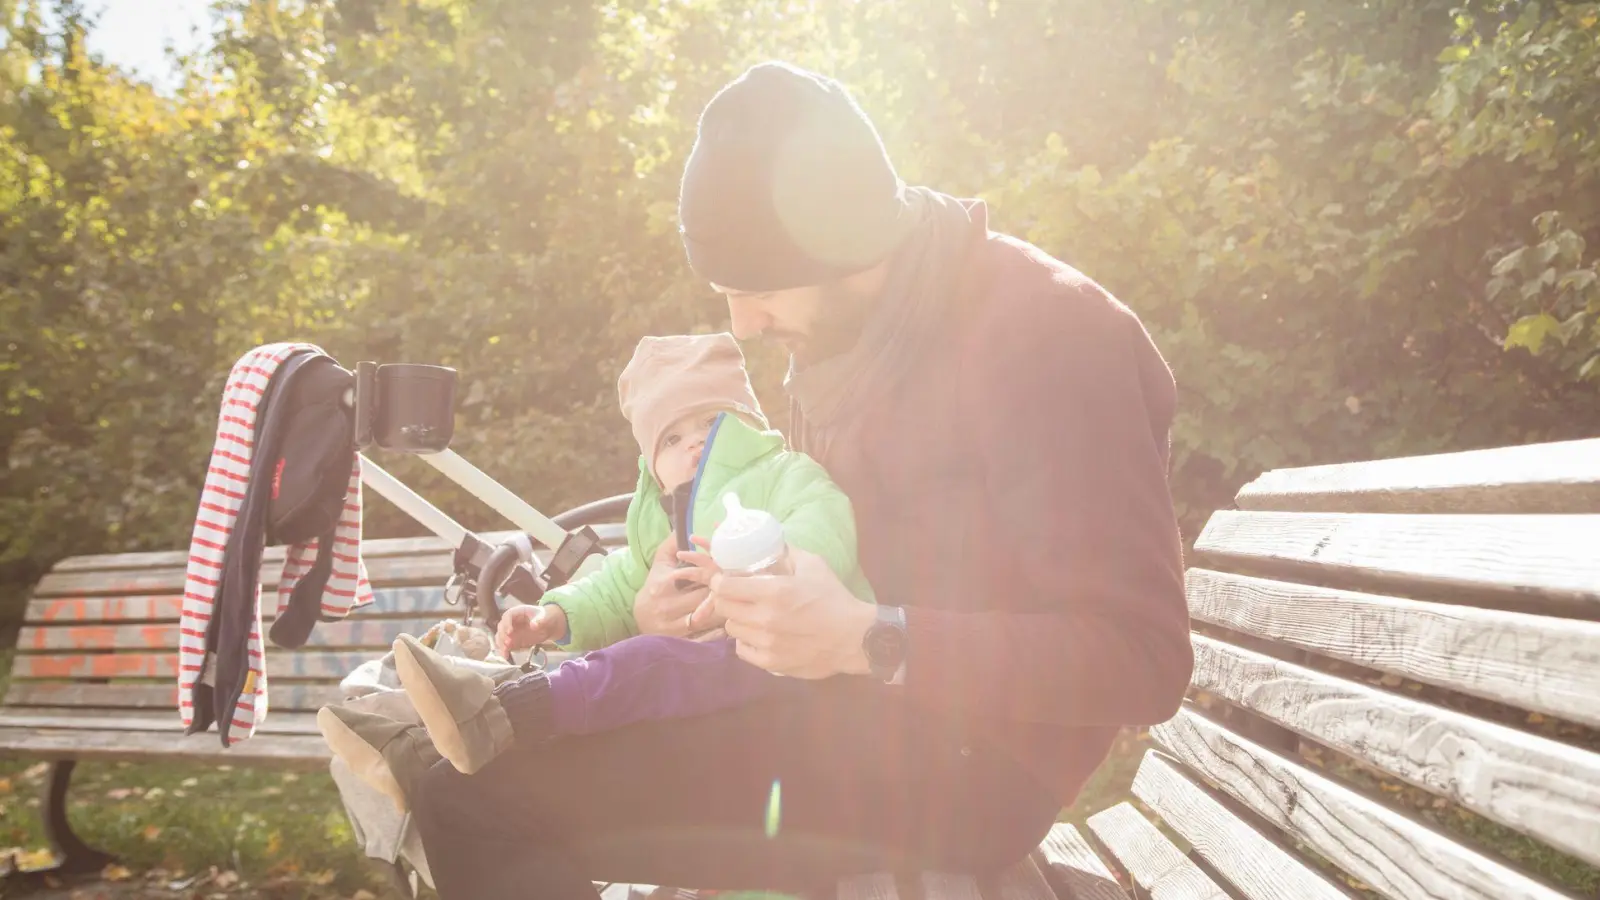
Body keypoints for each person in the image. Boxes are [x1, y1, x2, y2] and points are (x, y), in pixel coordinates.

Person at [407, 60, 1194, 899]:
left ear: (842, 237)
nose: (743, 324)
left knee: (477, 801)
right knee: (456, 766)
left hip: (975, 764)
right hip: (834, 704)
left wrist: (869, 637)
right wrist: (680, 607)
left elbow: (1144, 662)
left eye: (755, 289)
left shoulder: (1049, 335)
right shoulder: (840, 341)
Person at [317, 331, 874, 806]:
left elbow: (825, 530)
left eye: (713, 420)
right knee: (607, 673)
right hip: (710, 697)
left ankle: (486, 720)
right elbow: (617, 583)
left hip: (792, 678)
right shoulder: (658, 520)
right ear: (652, 465)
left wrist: (755, 565)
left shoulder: (783, 475)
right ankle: (421, 744)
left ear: (749, 422)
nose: (696, 440)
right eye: (672, 437)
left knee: (641, 663)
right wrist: (556, 615)